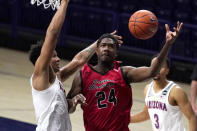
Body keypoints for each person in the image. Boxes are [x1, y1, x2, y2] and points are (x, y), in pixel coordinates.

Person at [67, 21, 183, 131]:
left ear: (116, 52)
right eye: (103, 45)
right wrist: (73, 102)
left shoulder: (124, 73)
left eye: (111, 46)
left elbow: (152, 71)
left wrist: (167, 44)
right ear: (97, 50)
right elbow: (67, 108)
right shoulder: (83, 75)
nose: (107, 48)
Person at [28, 0, 122, 130]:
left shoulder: (57, 77)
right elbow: (52, 33)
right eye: (53, 56)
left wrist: (73, 102)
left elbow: (79, 61)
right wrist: (64, 3)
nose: (58, 59)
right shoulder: (40, 76)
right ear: (42, 59)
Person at [130, 57, 197, 131]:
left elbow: (192, 117)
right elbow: (146, 114)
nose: (157, 70)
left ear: (167, 71)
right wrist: (126, 119)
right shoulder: (147, 89)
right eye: (154, 66)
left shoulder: (176, 91)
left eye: (160, 67)